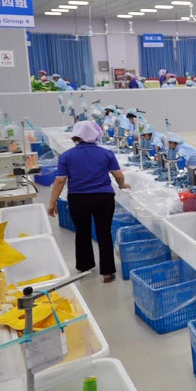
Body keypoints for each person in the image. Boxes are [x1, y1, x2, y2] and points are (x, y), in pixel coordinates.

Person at [46, 121, 129, 282]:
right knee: (104, 232)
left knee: (82, 232)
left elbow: (60, 181)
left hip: (78, 199)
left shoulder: (67, 156)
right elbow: (118, 175)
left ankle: (85, 266)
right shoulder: (106, 153)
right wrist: (122, 185)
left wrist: (52, 202)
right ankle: (107, 272)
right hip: (103, 197)